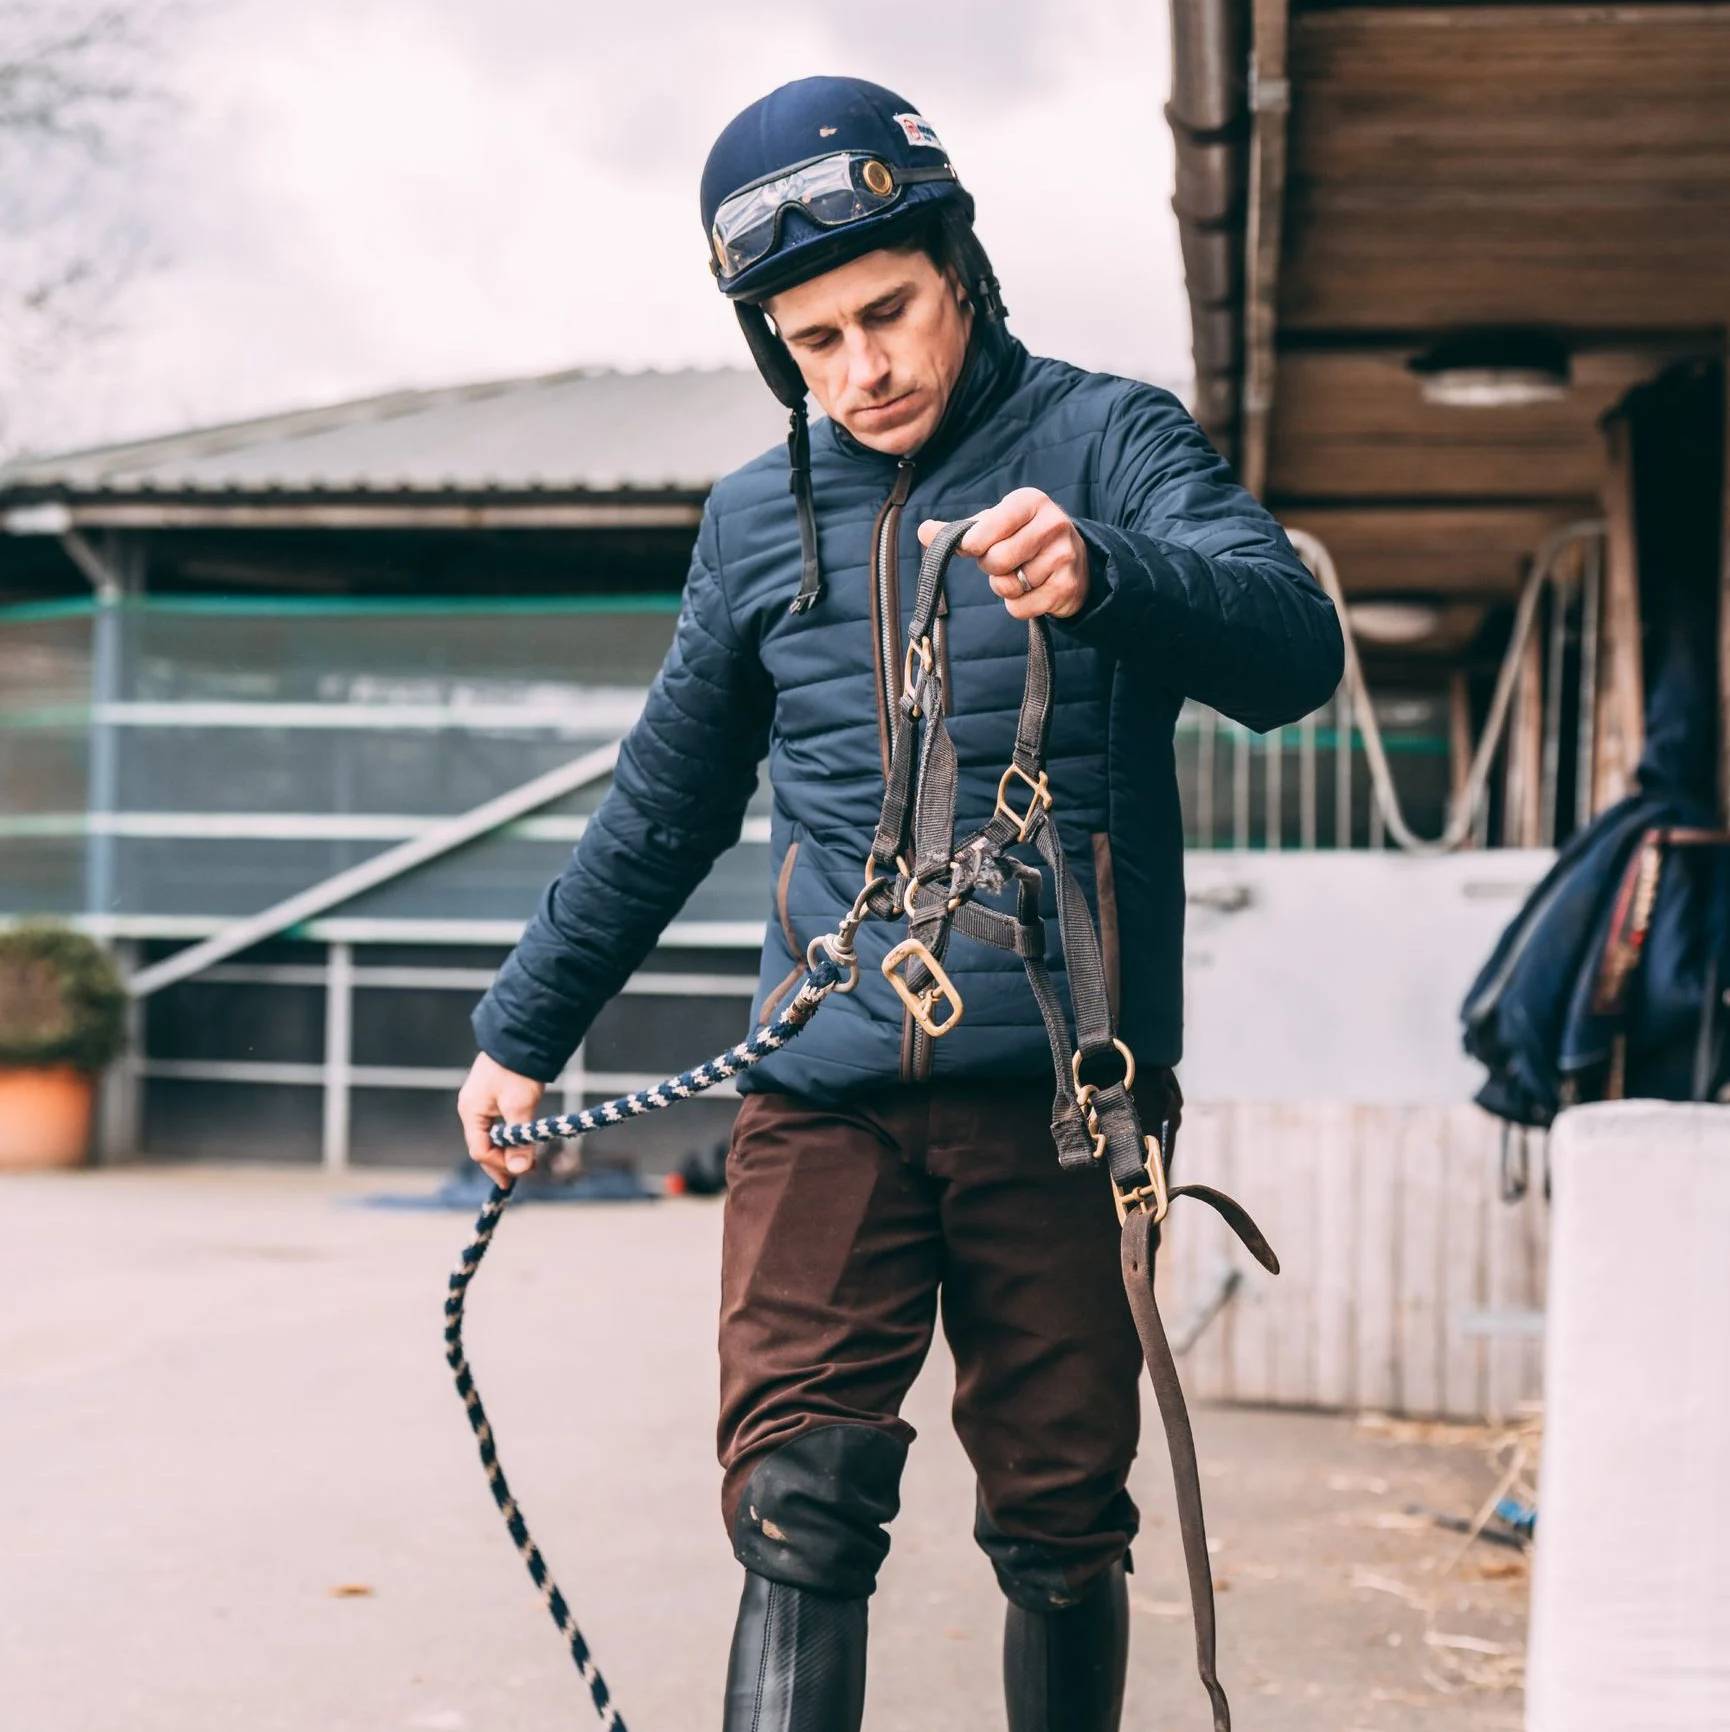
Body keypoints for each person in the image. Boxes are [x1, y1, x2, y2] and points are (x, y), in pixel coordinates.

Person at [457, 75, 1342, 1732]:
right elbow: (661, 804)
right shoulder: (750, 520)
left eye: (890, 312)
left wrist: (1111, 569)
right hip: (825, 1095)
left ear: (961, 272)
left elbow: (1293, 652)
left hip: (1065, 1096)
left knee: (1062, 1527)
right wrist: (522, 1031)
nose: (862, 370)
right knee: (797, 1504)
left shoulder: (1108, 440)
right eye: (812, 340)